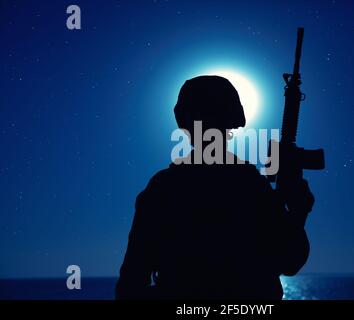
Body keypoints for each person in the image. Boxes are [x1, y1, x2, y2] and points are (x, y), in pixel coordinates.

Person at [116, 76, 315, 299]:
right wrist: (298, 212)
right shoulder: (249, 185)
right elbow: (289, 260)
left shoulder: (163, 187)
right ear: (230, 123)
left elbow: (130, 286)